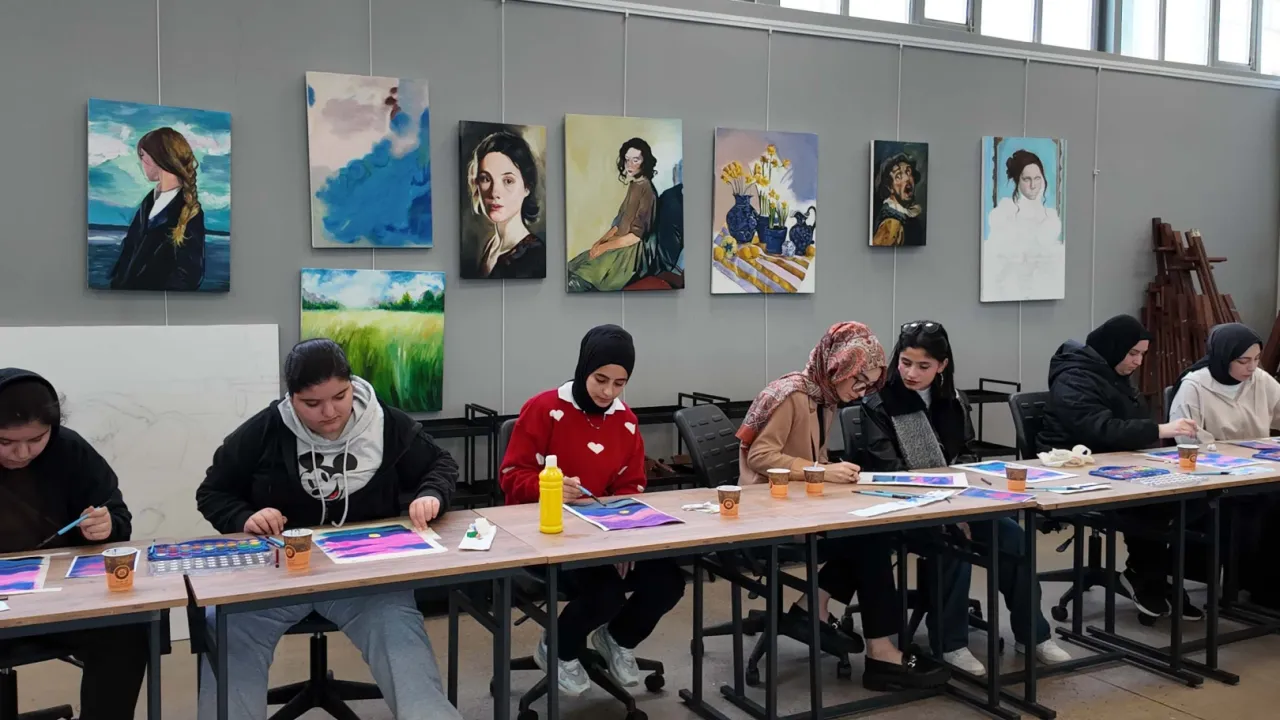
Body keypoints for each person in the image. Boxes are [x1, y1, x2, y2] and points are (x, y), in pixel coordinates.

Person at [195, 339, 461, 720]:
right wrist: (244, 517)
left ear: (352, 384)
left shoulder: (385, 423)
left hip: (366, 577)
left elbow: (441, 464)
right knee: (226, 630)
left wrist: (432, 494)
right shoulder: (266, 429)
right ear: (291, 398)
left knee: (401, 639)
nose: (330, 412)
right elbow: (213, 491)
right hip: (278, 577)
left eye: (340, 396)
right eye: (312, 403)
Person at [738, 322, 949, 691]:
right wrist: (823, 470)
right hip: (766, 511)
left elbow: (809, 457)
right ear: (837, 366)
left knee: (868, 534)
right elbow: (761, 457)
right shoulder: (792, 395)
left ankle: (813, 610)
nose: (861, 391)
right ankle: (880, 652)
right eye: (859, 381)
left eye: (869, 384)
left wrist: (832, 471)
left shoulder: (823, 396)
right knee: (869, 541)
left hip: (798, 502)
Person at [855, 322, 1070, 676]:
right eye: (905, 363)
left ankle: (1033, 635)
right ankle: (950, 644)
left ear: (942, 365)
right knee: (953, 540)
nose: (911, 373)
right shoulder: (878, 404)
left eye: (923, 366)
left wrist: (967, 500)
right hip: (906, 507)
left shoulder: (954, 401)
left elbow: (966, 455)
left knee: (1014, 539)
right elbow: (892, 470)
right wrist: (952, 509)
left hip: (958, 501)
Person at [499, 325, 684, 697]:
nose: (608, 392)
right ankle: (558, 648)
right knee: (606, 594)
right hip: (546, 537)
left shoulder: (625, 420)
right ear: (584, 367)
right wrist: (549, 486)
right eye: (601, 379)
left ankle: (617, 638)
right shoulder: (544, 409)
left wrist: (626, 540)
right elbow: (511, 476)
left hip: (604, 535)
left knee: (669, 581)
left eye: (620, 383)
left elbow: (631, 484)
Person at [0, 369, 148, 720]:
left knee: (126, 630)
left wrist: (106, 526)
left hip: (61, 603)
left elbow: (117, 516)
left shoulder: (69, 450)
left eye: (36, 439)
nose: (22, 453)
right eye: (5, 442)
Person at [1038, 315, 1201, 621]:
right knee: (1153, 504)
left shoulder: (1111, 372)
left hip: (1112, 461)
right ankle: (1144, 576)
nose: (1138, 361)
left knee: (1179, 499)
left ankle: (1153, 575)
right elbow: (1099, 428)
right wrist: (1159, 430)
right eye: (1133, 353)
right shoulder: (1074, 378)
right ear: (1113, 348)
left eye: (1142, 354)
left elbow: (1125, 424)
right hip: (1074, 469)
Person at [1168, 323, 1280, 607]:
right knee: (1260, 505)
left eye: (1256, 359)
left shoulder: (1261, 380)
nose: (1251, 367)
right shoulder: (1195, 385)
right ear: (1223, 356)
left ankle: (1266, 587)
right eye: (1243, 361)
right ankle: (1251, 586)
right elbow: (1187, 438)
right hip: (1213, 476)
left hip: (1257, 470)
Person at [109, 126, 207, 291]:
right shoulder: (147, 204)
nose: (141, 163)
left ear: (158, 158)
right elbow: (127, 254)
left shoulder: (191, 212)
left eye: (142, 156)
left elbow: (189, 276)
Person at [567, 139, 659, 292]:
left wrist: (604, 247)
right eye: (627, 160)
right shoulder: (634, 185)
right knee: (571, 267)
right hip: (618, 242)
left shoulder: (648, 192)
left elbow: (635, 237)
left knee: (579, 280)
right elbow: (619, 222)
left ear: (645, 162)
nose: (629, 165)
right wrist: (599, 242)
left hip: (630, 252)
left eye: (635, 160)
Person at [981, 148, 1064, 302]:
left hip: (1041, 291)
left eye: (1037, 178)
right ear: (1017, 180)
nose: (1033, 185)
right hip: (1008, 289)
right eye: (1027, 179)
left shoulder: (1051, 219)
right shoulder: (1004, 214)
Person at [465, 129, 546, 279]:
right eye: (485, 179)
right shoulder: (491, 246)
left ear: (527, 187)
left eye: (508, 181)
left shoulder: (535, 257)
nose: (494, 192)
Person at [871, 152, 924, 247]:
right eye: (898, 176)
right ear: (889, 187)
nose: (907, 178)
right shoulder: (891, 224)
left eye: (908, 172)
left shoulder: (908, 217)